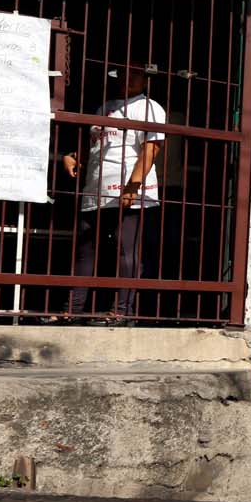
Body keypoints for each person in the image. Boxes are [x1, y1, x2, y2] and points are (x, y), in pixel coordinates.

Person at [62, 64, 165, 326]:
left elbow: (152, 148)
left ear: (144, 79)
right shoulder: (104, 107)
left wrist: (134, 185)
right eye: (122, 74)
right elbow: (97, 146)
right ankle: (71, 310)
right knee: (86, 250)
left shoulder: (149, 108)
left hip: (129, 191)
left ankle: (121, 312)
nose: (127, 79)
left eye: (134, 74)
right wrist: (76, 158)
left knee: (125, 250)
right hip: (95, 189)